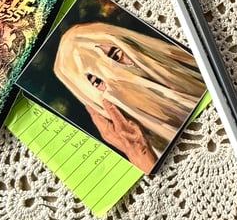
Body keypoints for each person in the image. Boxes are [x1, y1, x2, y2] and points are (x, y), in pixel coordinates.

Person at [53, 21, 207, 173]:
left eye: (115, 55)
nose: (120, 72)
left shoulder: (196, 66)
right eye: (97, 81)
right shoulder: (151, 150)